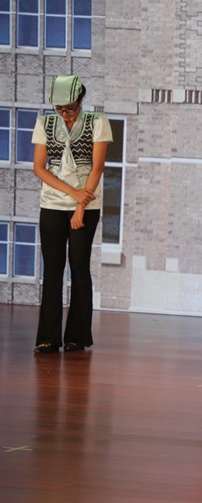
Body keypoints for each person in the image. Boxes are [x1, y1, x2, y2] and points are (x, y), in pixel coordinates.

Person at [31, 75, 113, 354]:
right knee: (53, 270)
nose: (65, 113)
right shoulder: (44, 123)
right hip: (52, 203)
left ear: (80, 101)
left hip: (85, 205)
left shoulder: (97, 121)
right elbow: (39, 168)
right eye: (59, 108)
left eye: (70, 108)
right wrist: (71, 193)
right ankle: (48, 338)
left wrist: (80, 205)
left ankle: (77, 337)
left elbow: (97, 167)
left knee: (79, 267)